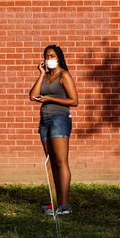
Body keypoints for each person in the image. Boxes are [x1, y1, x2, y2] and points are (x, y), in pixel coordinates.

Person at [29, 45, 78, 216]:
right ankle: (54, 202)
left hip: (60, 120)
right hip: (45, 121)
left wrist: (50, 98)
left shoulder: (64, 75)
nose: (49, 59)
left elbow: (74, 101)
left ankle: (65, 204)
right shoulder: (45, 76)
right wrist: (41, 74)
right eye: (46, 56)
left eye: (52, 56)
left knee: (60, 161)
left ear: (58, 58)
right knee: (50, 162)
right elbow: (32, 95)